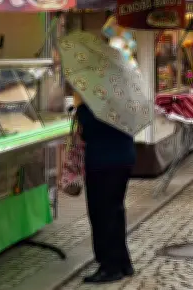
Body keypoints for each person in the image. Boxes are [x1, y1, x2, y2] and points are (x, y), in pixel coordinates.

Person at [73, 90, 135, 283]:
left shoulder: (96, 103)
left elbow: (88, 128)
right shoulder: (125, 97)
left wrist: (80, 107)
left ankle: (110, 267)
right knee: (115, 211)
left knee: (102, 214)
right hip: (124, 158)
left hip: (103, 162)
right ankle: (123, 262)